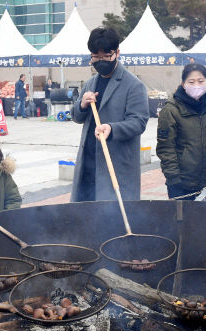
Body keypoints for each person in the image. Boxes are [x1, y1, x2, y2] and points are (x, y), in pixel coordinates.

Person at [71, 27, 149, 202]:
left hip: (116, 165)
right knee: (85, 216)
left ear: (117, 53)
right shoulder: (91, 83)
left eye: (106, 56)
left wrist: (112, 129)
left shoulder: (133, 85)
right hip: (88, 163)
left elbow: (139, 122)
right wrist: (82, 104)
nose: (101, 61)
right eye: (96, 57)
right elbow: (76, 116)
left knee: (113, 219)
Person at [156, 63, 206, 200]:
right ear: (183, 84)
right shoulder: (171, 110)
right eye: (191, 81)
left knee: (204, 220)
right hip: (181, 183)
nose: (196, 85)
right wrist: (173, 178)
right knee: (183, 220)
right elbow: (165, 148)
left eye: (200, 81)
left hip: (205, 180)